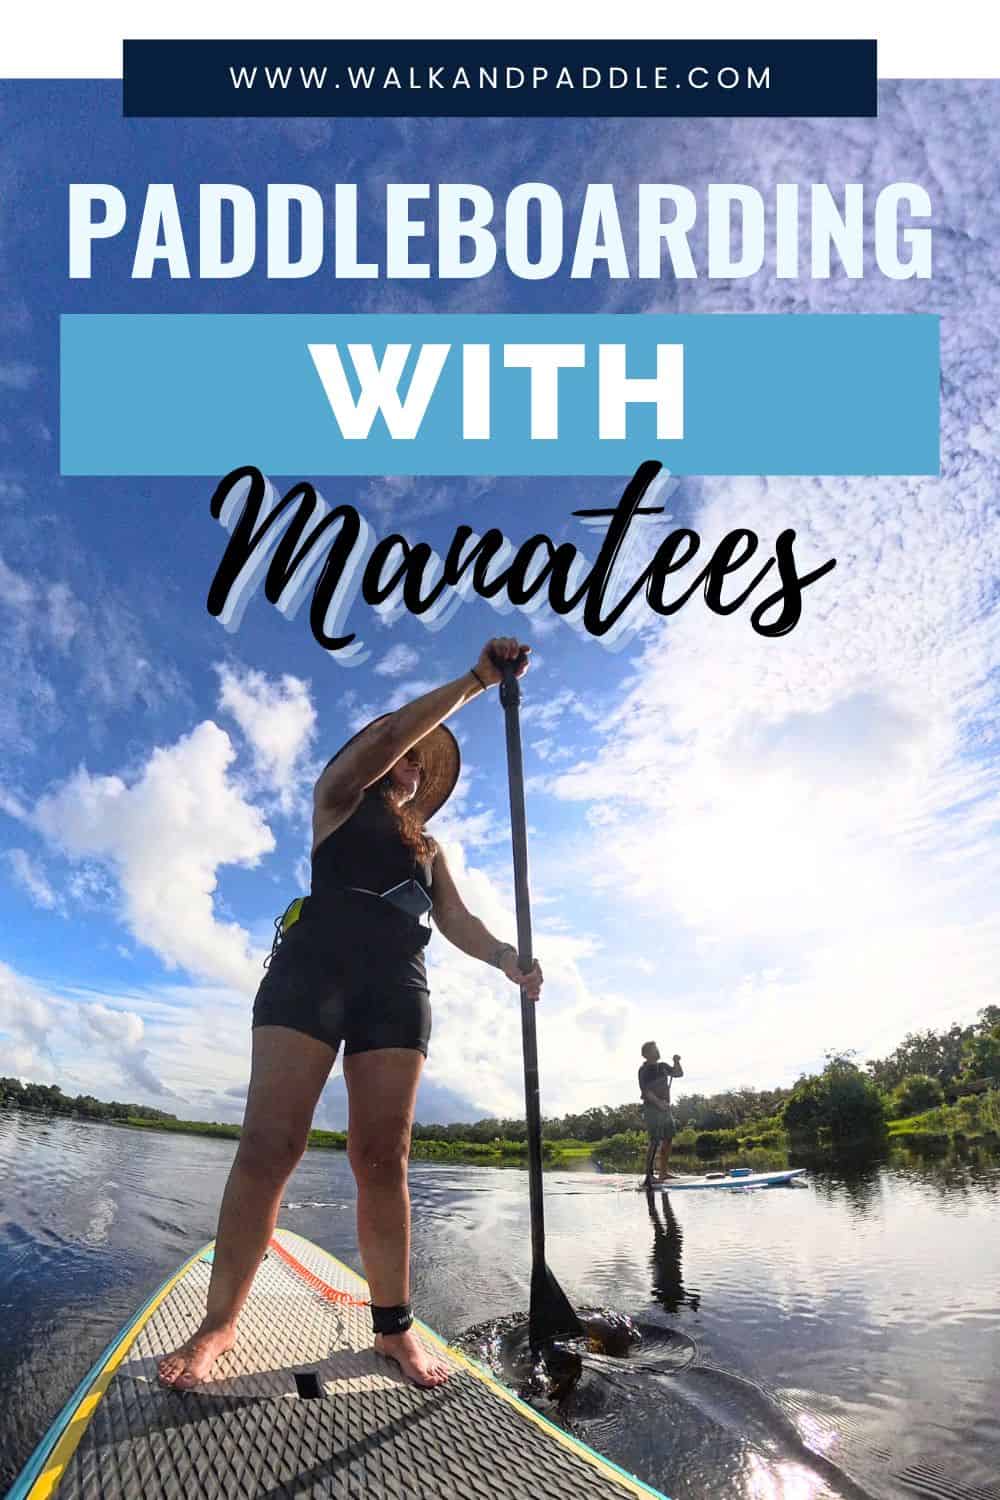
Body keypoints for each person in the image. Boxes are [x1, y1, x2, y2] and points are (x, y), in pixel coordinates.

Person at [158, 637, 543, 1392]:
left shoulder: (428, 847)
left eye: (415, 764)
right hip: (312, 972)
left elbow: (457, 921)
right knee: (271, 1145)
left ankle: (393, 1330)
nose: (406, 764)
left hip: (397, 985)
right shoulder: (335, 798)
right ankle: (219, 1324)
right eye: (401, 754)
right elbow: (388, 736)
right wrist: (475, 680)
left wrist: (506, 958)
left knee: (381, 1157)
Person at [638, 1041, 683, 1187]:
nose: (657, 1051)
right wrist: (659, 1103)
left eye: (656, 1048)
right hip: (652, 1108)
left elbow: (678, 1073)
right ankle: (649, 1176)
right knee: (654, 1140)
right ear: (646, 1054)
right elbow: (646, 1091)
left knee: (668, 1139)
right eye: (653, 1049)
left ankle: (663, 1172)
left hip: (665, 1109)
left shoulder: (663, 1066)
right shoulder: (644, 1070)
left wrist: (676, 1062)